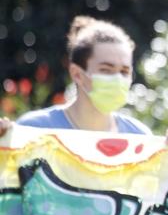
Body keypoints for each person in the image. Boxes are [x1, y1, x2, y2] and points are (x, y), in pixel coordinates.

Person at [0, 16, 151, 136]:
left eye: (124, 71)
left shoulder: (139, 137)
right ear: (77, 74)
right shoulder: (34, 129)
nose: (118, 79)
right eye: (106, 70)